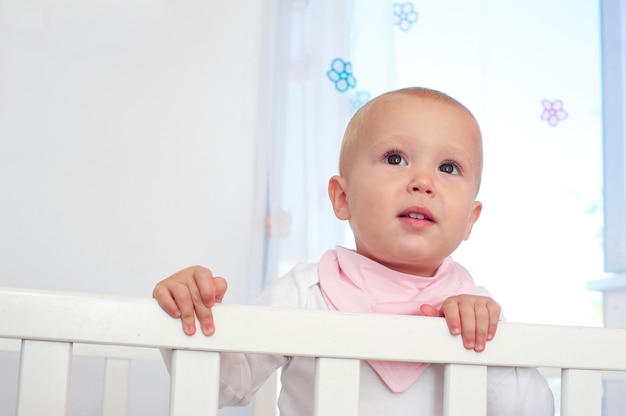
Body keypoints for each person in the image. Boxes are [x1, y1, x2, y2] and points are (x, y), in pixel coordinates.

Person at [153, 87, 555, 415]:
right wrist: (190, 313)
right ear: (342, 198)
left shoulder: (475, 308)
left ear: (471, 219)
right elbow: (227, 384)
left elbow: (535, 408)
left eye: (448, 168)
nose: (423, 181)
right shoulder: (308, 291)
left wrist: (488, 345)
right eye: (395, 158)